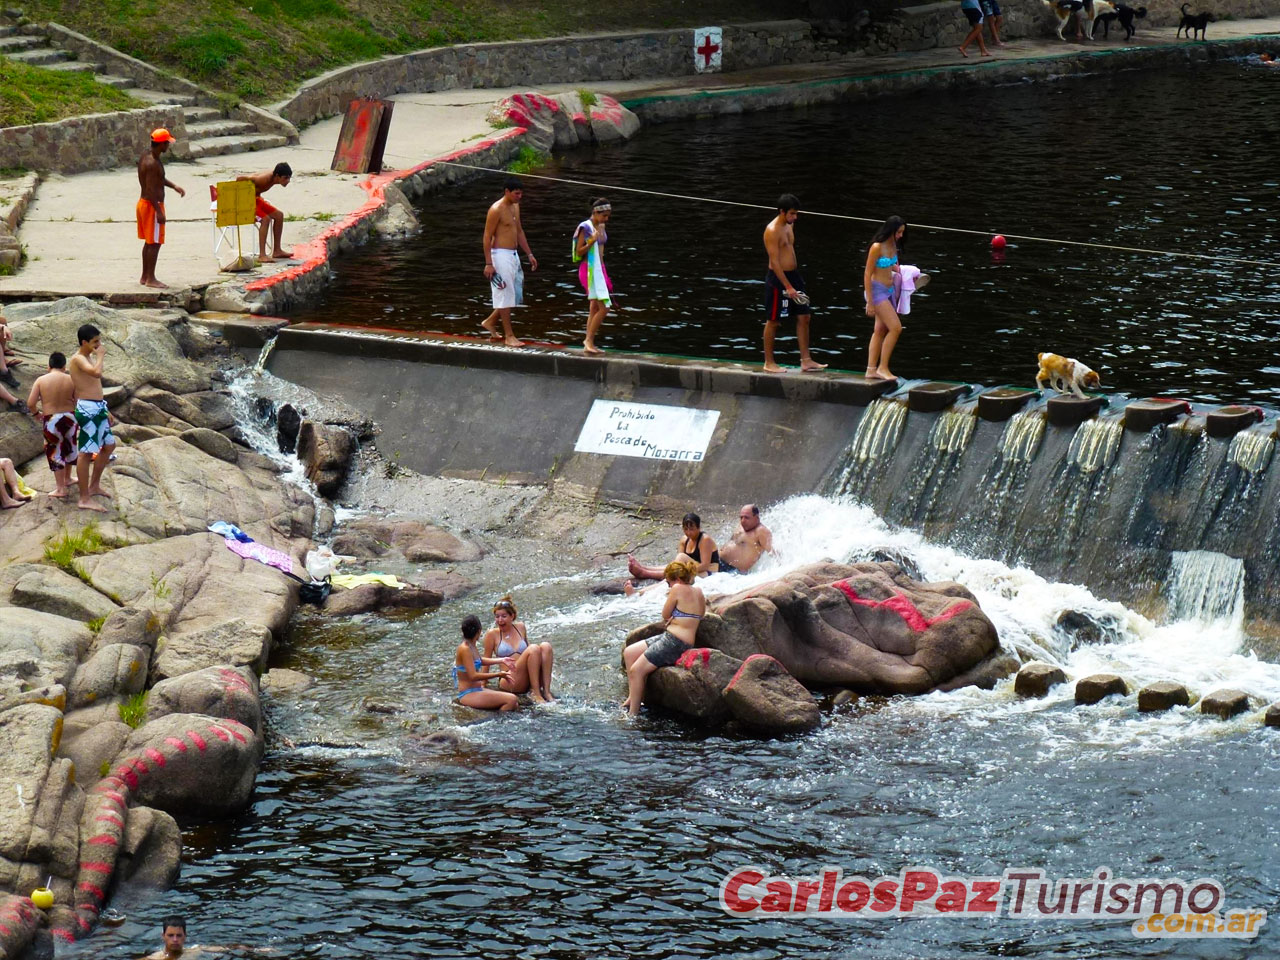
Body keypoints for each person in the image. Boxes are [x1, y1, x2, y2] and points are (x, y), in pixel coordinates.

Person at [620, 559, 705, 717]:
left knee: (636, 670)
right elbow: (701, 614)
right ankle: (633, 697)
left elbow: (665, 614)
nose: (668, 586)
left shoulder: (678, 588)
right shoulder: (698, 591)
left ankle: (633, 715)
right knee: (630, 652)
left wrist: (673, 617)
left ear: (677, 580)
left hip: (675, 642)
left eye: (668, 582)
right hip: (673, 637)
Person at [763, 194, 827, 374]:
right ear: (782, 212)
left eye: (796, 213)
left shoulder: (790, 225)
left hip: (794, 276)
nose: (795, 217)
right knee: (774, 321)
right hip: (778, 279)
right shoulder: (772, 230)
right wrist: (787, 286)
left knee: (804, 316)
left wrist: (793, 283)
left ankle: (806, 360)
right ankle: (769, 362)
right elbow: (774, 262)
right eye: (791, 214)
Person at [481, 177, 538, 347]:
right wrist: (488, 263)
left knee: (513, 294)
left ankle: (490, 322)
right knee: (505, 295)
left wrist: (529, 254)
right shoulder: (496, 209)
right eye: (516, 193)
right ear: (507, 191)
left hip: (513, 254)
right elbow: (486, 236)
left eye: (521, 193)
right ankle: (509, 335)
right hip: (499, 255)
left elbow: (519, 231)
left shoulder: (515, 206)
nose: (519, 196)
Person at [69, 324, 115, 512]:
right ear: (84, 342)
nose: (99, 345)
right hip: (87, 409)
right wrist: (101, 355)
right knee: (86, 453)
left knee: (109, 445)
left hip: (97, 407)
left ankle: (94, 486)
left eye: (99, 341)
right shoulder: (78, 358)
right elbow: (96, 373)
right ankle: (84, 498)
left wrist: (105, 409)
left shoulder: (87, 357)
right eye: (95, 342)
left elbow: (95, 384)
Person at [482, 596, 556, 703]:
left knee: (546, 646)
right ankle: (535, 693)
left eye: (504, 616)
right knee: (534, 648)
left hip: (527, 676)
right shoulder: (492, 635)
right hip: (509, 679)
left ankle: (546, 692)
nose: (500, 620)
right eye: (497, 616)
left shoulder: (520, 627)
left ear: (512, 616)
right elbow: (486, 661)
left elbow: (531, 653)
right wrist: (483, 685)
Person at [137, 128, 185, 289]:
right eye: (167, 143)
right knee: (155, 243)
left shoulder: (147, 156)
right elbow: (151, 189)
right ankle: (151, 278)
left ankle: (145, 276)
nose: (168, 146)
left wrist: (174, 186)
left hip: (144, 204)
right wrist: (158, 211)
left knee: (149, 242)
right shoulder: (152, 163)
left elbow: (159, 179)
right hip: (152, 206)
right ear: (161, 144)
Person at [27, 351, 77, 499]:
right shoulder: (71, 379)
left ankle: (61, 488)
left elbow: (30, 403)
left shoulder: (41, 380)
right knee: (69, 447)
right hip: (70, 416)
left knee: (55, 452)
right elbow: (78, 399)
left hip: (52, 419)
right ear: (64, 366)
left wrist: (37, 414)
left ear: (49, 366)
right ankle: (68, 478)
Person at [864, 215, 908, 382]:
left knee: (880, 330)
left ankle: (871, 370)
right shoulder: (877, 247)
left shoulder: (893, 246)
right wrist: (869, 301)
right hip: (877, 291)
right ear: (891, 230)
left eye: (902, 232)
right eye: (899, 232)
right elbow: (867, 273)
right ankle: (882, 367)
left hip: (889, 290)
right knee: (896, 328)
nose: (900, 235)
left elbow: (894, 266)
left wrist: (910, 273)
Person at [627, 512, 720, 585]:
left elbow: (705, 565)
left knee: (680, 561)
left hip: (708, 573)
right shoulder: (684, 540)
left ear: (699, 528)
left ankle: (644, 573)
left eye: (691, 529)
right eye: (685, 529)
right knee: (676, 564)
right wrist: (681, 570)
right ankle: (644, 568)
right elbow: (677, 564)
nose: (688, 532)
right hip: (693, 570)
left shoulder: (705, 539)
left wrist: (684, 572)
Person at [573, 197, 614, 355]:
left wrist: (603, 270)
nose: (606, 219)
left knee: (594, 307)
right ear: (595, 213)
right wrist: (591, 240)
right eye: (604, 215)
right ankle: (588, 341)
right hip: (588, 270)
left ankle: (589, 342)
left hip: (599, 269)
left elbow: (601, 247)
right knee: (605, 307)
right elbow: (579, 251)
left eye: (608, 215)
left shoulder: (601, 225)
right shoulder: (585, 227)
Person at [454, 614, 518, 711]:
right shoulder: (465, 649)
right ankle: (499, 723)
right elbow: (473, 676)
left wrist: (502, 660)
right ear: (479, 631)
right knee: (511, 700)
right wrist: (498, 674)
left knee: (515, 704)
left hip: (477, 690)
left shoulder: (471, 644)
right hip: (468, 693)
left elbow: (480, 660)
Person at [236, 162, 292, 262]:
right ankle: (262, 255)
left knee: (279, 215)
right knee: (265, 219)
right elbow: (239, 178)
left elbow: (257, 188)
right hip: (245, 202)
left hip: (255, 199)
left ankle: (277, 250)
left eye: (289, 178)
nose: (288, 181)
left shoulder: (273, 178)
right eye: (285, 178)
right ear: (277, 176)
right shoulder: (264, 179)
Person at [718, 504, 775, 575]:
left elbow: (772, 552)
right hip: (718, 561)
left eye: (746, 518)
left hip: (732, 571)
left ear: (756, 518)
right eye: (741, 517)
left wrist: (783, 567)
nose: (743, 520)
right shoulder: (743, 525)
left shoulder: (761, 532)